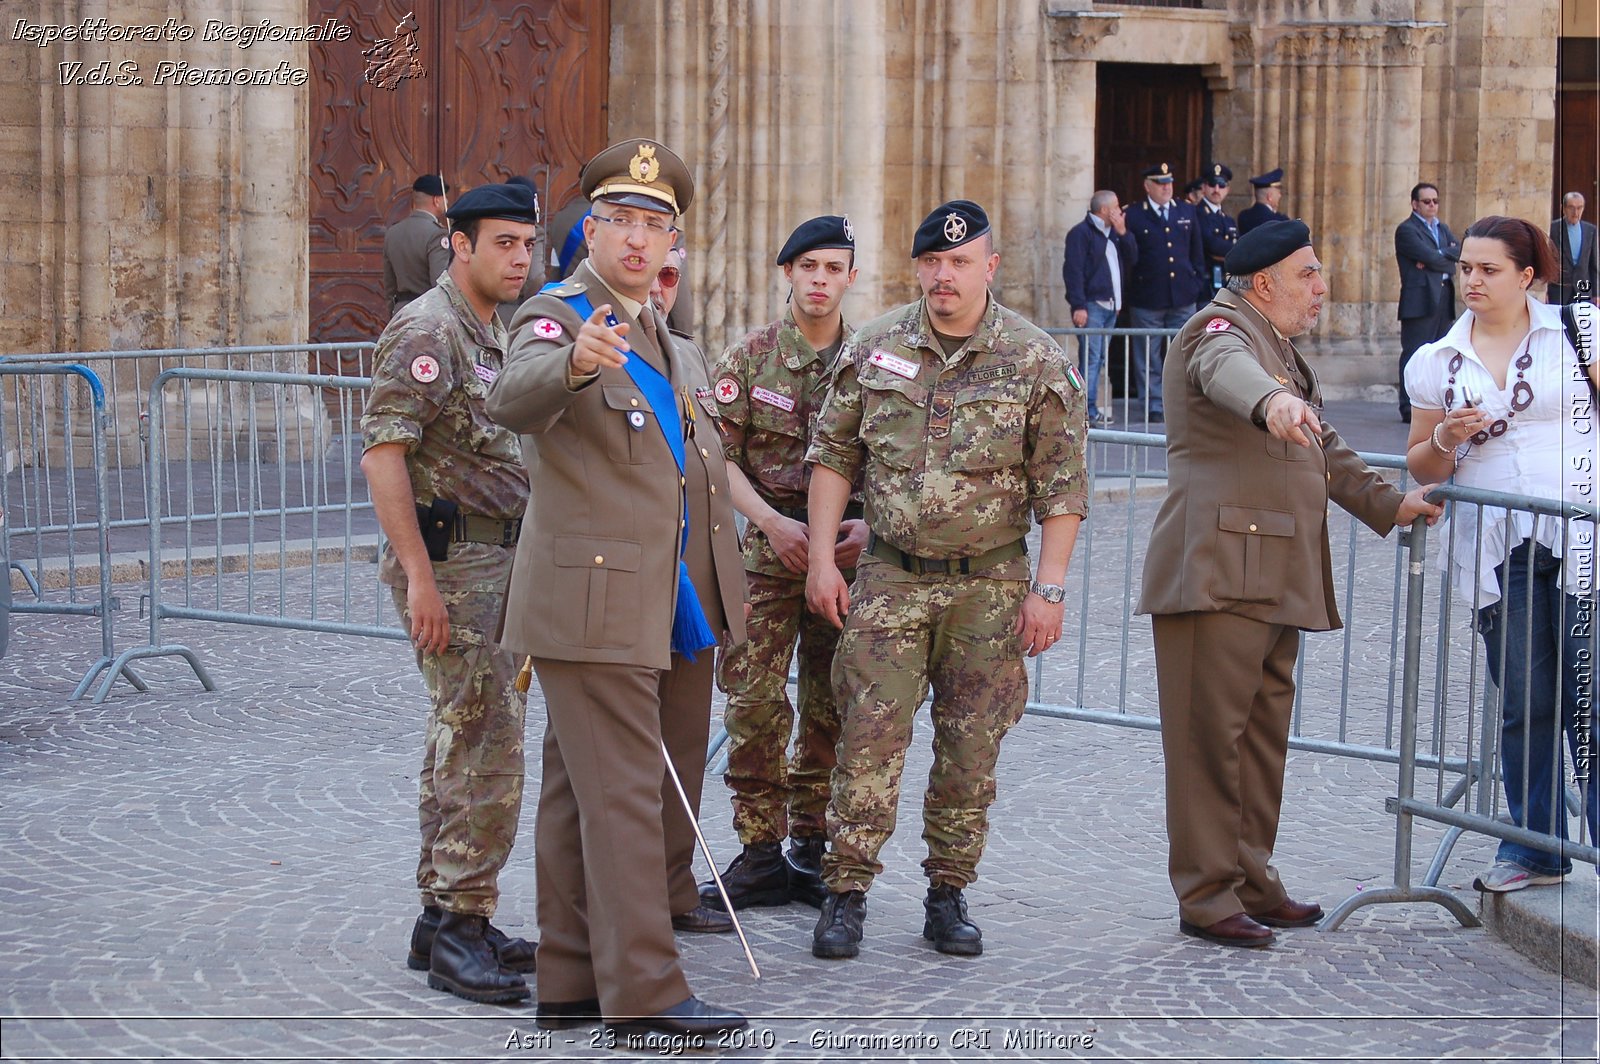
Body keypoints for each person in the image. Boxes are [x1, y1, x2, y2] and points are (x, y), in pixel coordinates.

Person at [486, 139, 748, 1039]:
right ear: (589, 229)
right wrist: (572, 364)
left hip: (633, 599)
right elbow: (511, 397)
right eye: (621, 222)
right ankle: (645, 992)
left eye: (655, 225)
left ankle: (567, 975)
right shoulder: (563, 315)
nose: (638, 241)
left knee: (575, 791)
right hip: (591, 602)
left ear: (674, 239)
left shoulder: (653, 328)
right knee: (630, 791)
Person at [1139, 219, 1443, 949]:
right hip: (1214, 574)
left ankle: (1251, 879)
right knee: (1210, 743)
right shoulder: (1220, 328)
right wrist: (1270, 403)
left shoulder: (1276, 345)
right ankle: (1207, 897)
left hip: (1269, 572)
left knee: (1261, 740)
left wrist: (1384, 500)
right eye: (1309, 275)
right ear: (1265, 281)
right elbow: (1225, 372)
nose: (1322, 288)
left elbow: (1323, 443)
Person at [804, 200, 1088, 960]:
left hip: (989, 589)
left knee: (970, 749)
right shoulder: (875, 346)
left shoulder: (1032, 360)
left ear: (989, 268)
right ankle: (845, 892)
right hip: (891, 578)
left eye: (960, 262)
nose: (943, 275)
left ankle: (948, 892)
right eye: (932, 262)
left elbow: (1062, 488)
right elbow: (834, 457)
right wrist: (826, 558)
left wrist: (1049, 591)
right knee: (867, 737)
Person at [359, 182, 540, 1003]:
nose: (521, 259)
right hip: (456, 569)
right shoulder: (430, 328)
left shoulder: (490, 328)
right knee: (486, 748)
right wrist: (422, 582)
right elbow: (383, 456)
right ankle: (462, 927)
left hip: (491, 566)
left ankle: (442, 918)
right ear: (458, 245)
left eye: (528, 244)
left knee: (460, 740)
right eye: (504, 243)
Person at [1402, 215, 1598, 893]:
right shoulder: (1437, 360)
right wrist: (1449, 438)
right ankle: (1535, 851)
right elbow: (1421, 463)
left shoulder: (1578, 332)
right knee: (1524, 701)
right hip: (1496, 545)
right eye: (1464, 268)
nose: (1472, 281)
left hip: (1581, 536)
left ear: (1527, 274)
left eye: (1488, 269)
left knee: (1590, 698)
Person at [699, 216, 867, 913]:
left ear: (850, 278)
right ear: (789, 275)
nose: (820, 281)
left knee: (835, 704)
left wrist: (869, 525)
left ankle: (812, 842)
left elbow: (897, 460)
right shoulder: (751, 357)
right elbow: (714, 455)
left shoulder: (874, 360)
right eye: (808, 269)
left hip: (847, 565)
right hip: (769, 559)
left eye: (833, 269)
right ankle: (760, 849)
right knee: (755, 703)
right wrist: (769, 521)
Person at [641, 235, 743, 938]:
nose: (659, 285)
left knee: (683, 739)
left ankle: (675, 882)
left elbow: (714, 465)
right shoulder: (587, 351)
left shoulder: (690, 353)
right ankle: (623, 895)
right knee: (623, 750)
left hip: (694, 582)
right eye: (648, 269)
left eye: (671, 273)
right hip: (631, 581)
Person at [1125, 162, 1206, 423]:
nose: (1167, 187)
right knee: (1148, 357)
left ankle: (1183, 402)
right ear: (1148, 186)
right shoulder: (1135, 215)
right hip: (1148, 297)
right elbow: (1129, 257)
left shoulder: (1186, 211)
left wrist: (1195, 283)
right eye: (1161, 183)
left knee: (1185, 353)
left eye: (1169, 182)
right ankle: (1153, 405)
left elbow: (1197, 252)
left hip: (1182, 296)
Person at [1062, 190, 1136, 427]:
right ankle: (1086, 410)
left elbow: (1132, 257)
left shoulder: (1114, 233)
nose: (1120, 211)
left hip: (1111, 306)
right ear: (1104, 210)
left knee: (1101, 358)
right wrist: (1079, 305)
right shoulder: (1081, 234)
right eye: (1116, 207)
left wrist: (1123, 232)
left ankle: (1091, 408)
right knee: (1091, 359)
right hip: (1092, 306)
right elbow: (1073, 271)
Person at [1395, 182, 1461, 423]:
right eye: (1427, 201)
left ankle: (1434, 404)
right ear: (1415, 204)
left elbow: (1458, 251)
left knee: (1440, 353)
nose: (1432, 205)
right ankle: (1407, 406)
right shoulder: (1407, 230)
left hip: (1443, 297)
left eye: (1435, 201)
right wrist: (1442, 257)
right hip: (1419, 299)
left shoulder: (1442, 228)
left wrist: (1438, 258)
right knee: (1414, 353)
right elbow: (1429, 255)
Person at [382, 175, 454, 316]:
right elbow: (439, 282)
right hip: (428, 312)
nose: (447, 201)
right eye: (444, 198)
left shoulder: (393, 232)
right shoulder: (437, 234)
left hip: (401, 311)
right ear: (436, 200)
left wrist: (393, 312)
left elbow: (389, 284)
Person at [495, 176, 548, 327]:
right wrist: (531, 306)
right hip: (518, 311)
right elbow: (536, 277)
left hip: (488, 309)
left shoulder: (492, 229)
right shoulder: (533, 232)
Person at [1197, 163, 1238, 301]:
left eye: (1221, 185)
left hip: (1225, 286)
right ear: (1203, 187)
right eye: (1212, 184)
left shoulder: (1228, 220)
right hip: (1204, 286)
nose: (1216, 189)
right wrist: (1238, 249)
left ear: (1227, 189)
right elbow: (1212, 245)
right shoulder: (1197, 213)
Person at [1549, 192, 1599, 306]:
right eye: (1571, 208)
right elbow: (1547, 260)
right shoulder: (1553, 229)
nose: (1575, 213)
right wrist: (1545, 290)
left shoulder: (1590, 230)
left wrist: (1597, 293)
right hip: (1559, 290)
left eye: (1579, 208)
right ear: (1563, 208)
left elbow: (1594, 265)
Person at [1236, 169, 1288, 235]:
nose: (1280, 196)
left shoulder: (1243, 217)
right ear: (1270, 197)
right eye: (1279, 193)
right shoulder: (1279, 221)